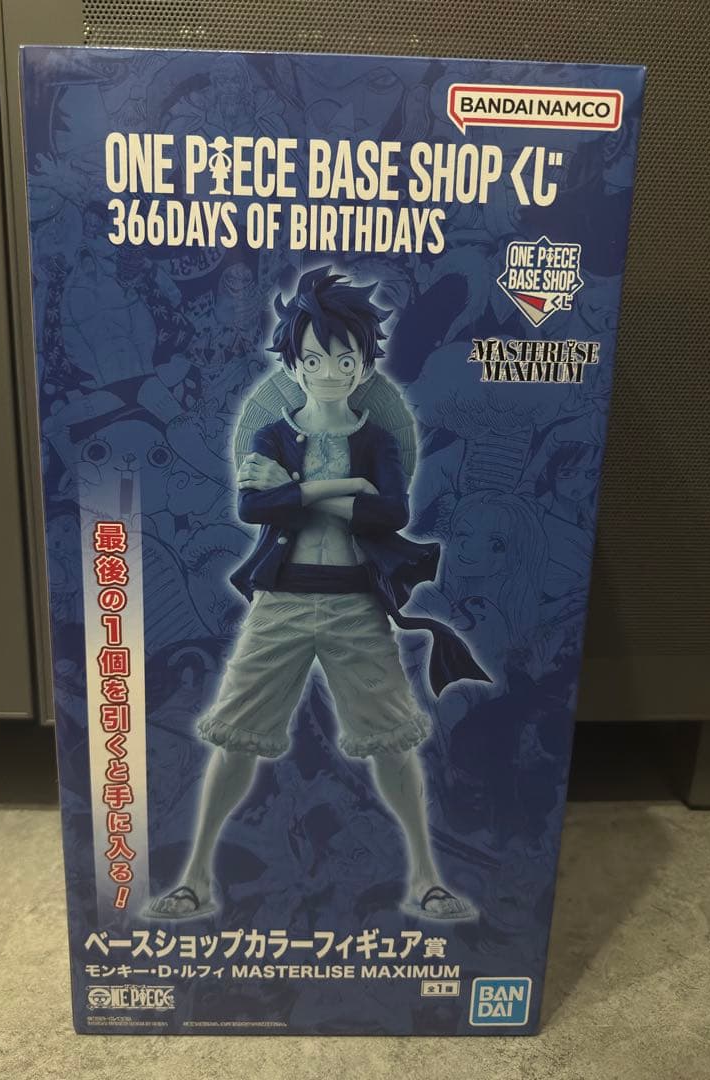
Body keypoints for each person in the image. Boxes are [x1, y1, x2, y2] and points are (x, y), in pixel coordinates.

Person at [146, 267, 489, 922]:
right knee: (235, 739)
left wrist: (303, 495)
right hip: (280, 602)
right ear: (293, 364)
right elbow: (254, 506)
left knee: (393, 740)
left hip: (358, 604)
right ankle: (195, 876)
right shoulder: (273, 433)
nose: (328, 371)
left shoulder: (377, 437)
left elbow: (391, 511)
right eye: (312, 359)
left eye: (343, 359)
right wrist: (338, 489)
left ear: (363, 364)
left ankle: (424, 875)